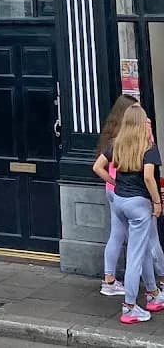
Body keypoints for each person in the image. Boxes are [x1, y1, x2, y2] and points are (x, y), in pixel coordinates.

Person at [94, 103, 164, 323]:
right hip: (139, 204)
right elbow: (149, 178)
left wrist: (115, 183)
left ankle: (153, 294)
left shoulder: (116, 143)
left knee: (142, 251)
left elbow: (97, 167)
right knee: (135, 256)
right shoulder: (148, 148)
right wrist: (157, 201)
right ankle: (130, 307)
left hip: (120, 202)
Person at [95, 95, 139, 295]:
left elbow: (99, 166)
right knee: (135, 238)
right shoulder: (125, 136)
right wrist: (117, 182)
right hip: (124, 190)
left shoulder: (111, 133)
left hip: (112, 190)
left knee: (117, 234)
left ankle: (109, 280)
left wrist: (111, 182)